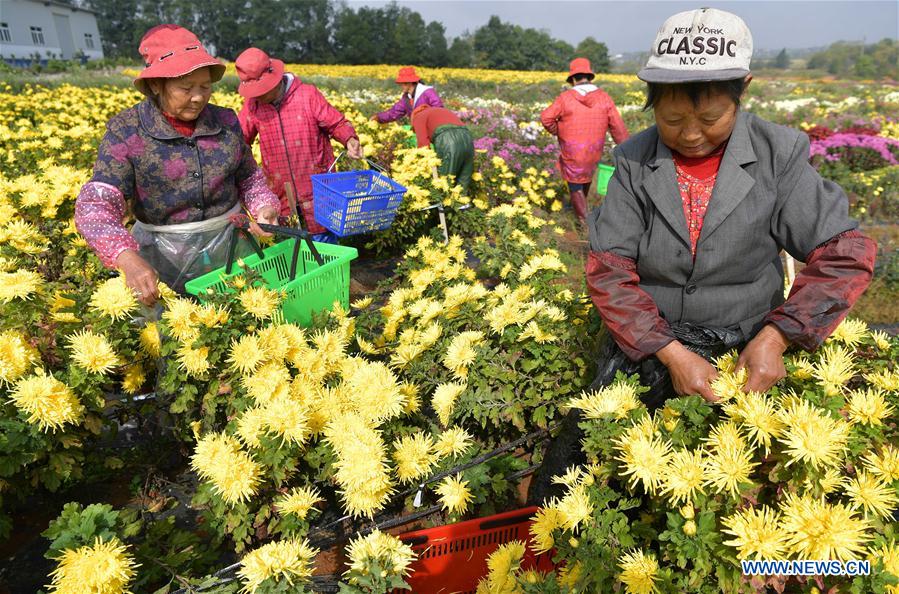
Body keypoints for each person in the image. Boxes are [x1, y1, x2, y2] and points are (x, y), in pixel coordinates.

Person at [530, 8, 876, 504]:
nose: (690, 134)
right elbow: (609, 271)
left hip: (748, 349)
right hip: (651, 342)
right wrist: (669, 351)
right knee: (611, 482)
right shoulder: (633, 160)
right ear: (651, 105)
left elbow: (845, 253)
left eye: (711, 118)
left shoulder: (779, 154)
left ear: (743, 90)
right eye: (671, 120)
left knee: (745, 486)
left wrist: (778, 336)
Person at [75, 25, 279, 303]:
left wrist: (263, 208)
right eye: (186, 88)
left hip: (232, 249)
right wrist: (127, 258)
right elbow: (96, 207)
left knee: (239, 321)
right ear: (157, 85)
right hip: (161, 259)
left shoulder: (226, 122)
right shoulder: (127, 130)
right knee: (174, 331)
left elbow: (249, 178)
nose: (198, 97)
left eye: (205, 87)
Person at [236, 48, 362, 243]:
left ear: (275, 79)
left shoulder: (307, 95)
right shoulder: (253, 106)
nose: (257, 95)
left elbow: (336, 123)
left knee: (323, 249)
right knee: (289, 250)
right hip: (280, 192)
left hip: (317, 189)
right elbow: (240, 141)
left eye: (261, 90)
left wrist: (349, 139)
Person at [541, 57, 629, 223]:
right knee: (585, 178)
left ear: (573, 79)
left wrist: (558, 131)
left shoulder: (566, 98)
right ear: (589, 77)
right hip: (594, 151)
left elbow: (546, 118)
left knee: (574, 185)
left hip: (572, 151)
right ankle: (580, 212)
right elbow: (618, 128)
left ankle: (584, 223)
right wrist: (627, 148)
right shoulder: (604, 98)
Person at [411, 105, 475, 191]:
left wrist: (424, 167)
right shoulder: (439, 110)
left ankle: (445, 203)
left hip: (448, 139)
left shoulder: (418, 117)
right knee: (463, 182)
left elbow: (423, 145)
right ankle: (462, 203)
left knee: (445, 183)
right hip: (467, 137)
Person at [372, 66, 444, 124]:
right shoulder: (406, 98)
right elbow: (395, 112)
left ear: (409, 83)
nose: (401, 85)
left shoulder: (428, 92)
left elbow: (439, 110)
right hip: (420, 130)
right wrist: (379, 117)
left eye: (402, 83)